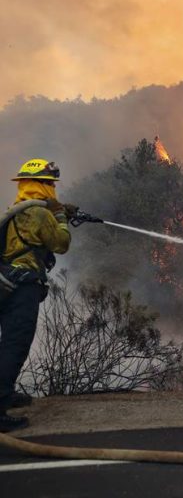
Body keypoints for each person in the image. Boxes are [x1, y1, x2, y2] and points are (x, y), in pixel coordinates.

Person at [0, 159, 74, 432]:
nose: (52, 188)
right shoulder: (40, 215)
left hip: (7, 284)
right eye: (50, 183)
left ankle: (5, 393)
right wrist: (62, 218)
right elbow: (61, 244)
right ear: (42, 185)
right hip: (23, 287)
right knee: (15, 344)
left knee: (8, 341)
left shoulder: (15, 211)